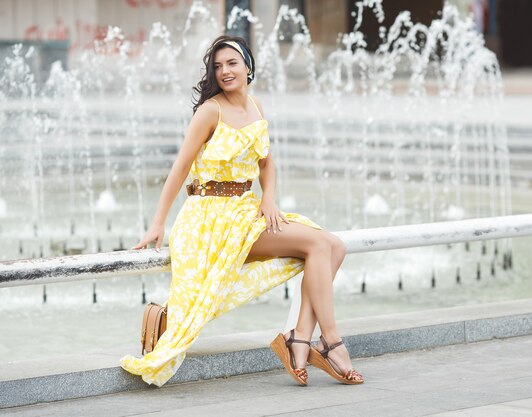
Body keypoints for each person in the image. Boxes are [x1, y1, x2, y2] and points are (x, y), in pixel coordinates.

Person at [119, 35, 363, 387]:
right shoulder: (210, 111)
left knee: (334, 245)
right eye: (218, 67)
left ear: (248, 65)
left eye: (232, 63)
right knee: (321, 246)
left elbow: (267, 164)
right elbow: (179, 169)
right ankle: (328, 342)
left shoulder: (256, 106)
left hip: (246, 209)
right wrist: (158, 223)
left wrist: (269, 199)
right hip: (209, 218)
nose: (225, 71)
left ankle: (300, 339)